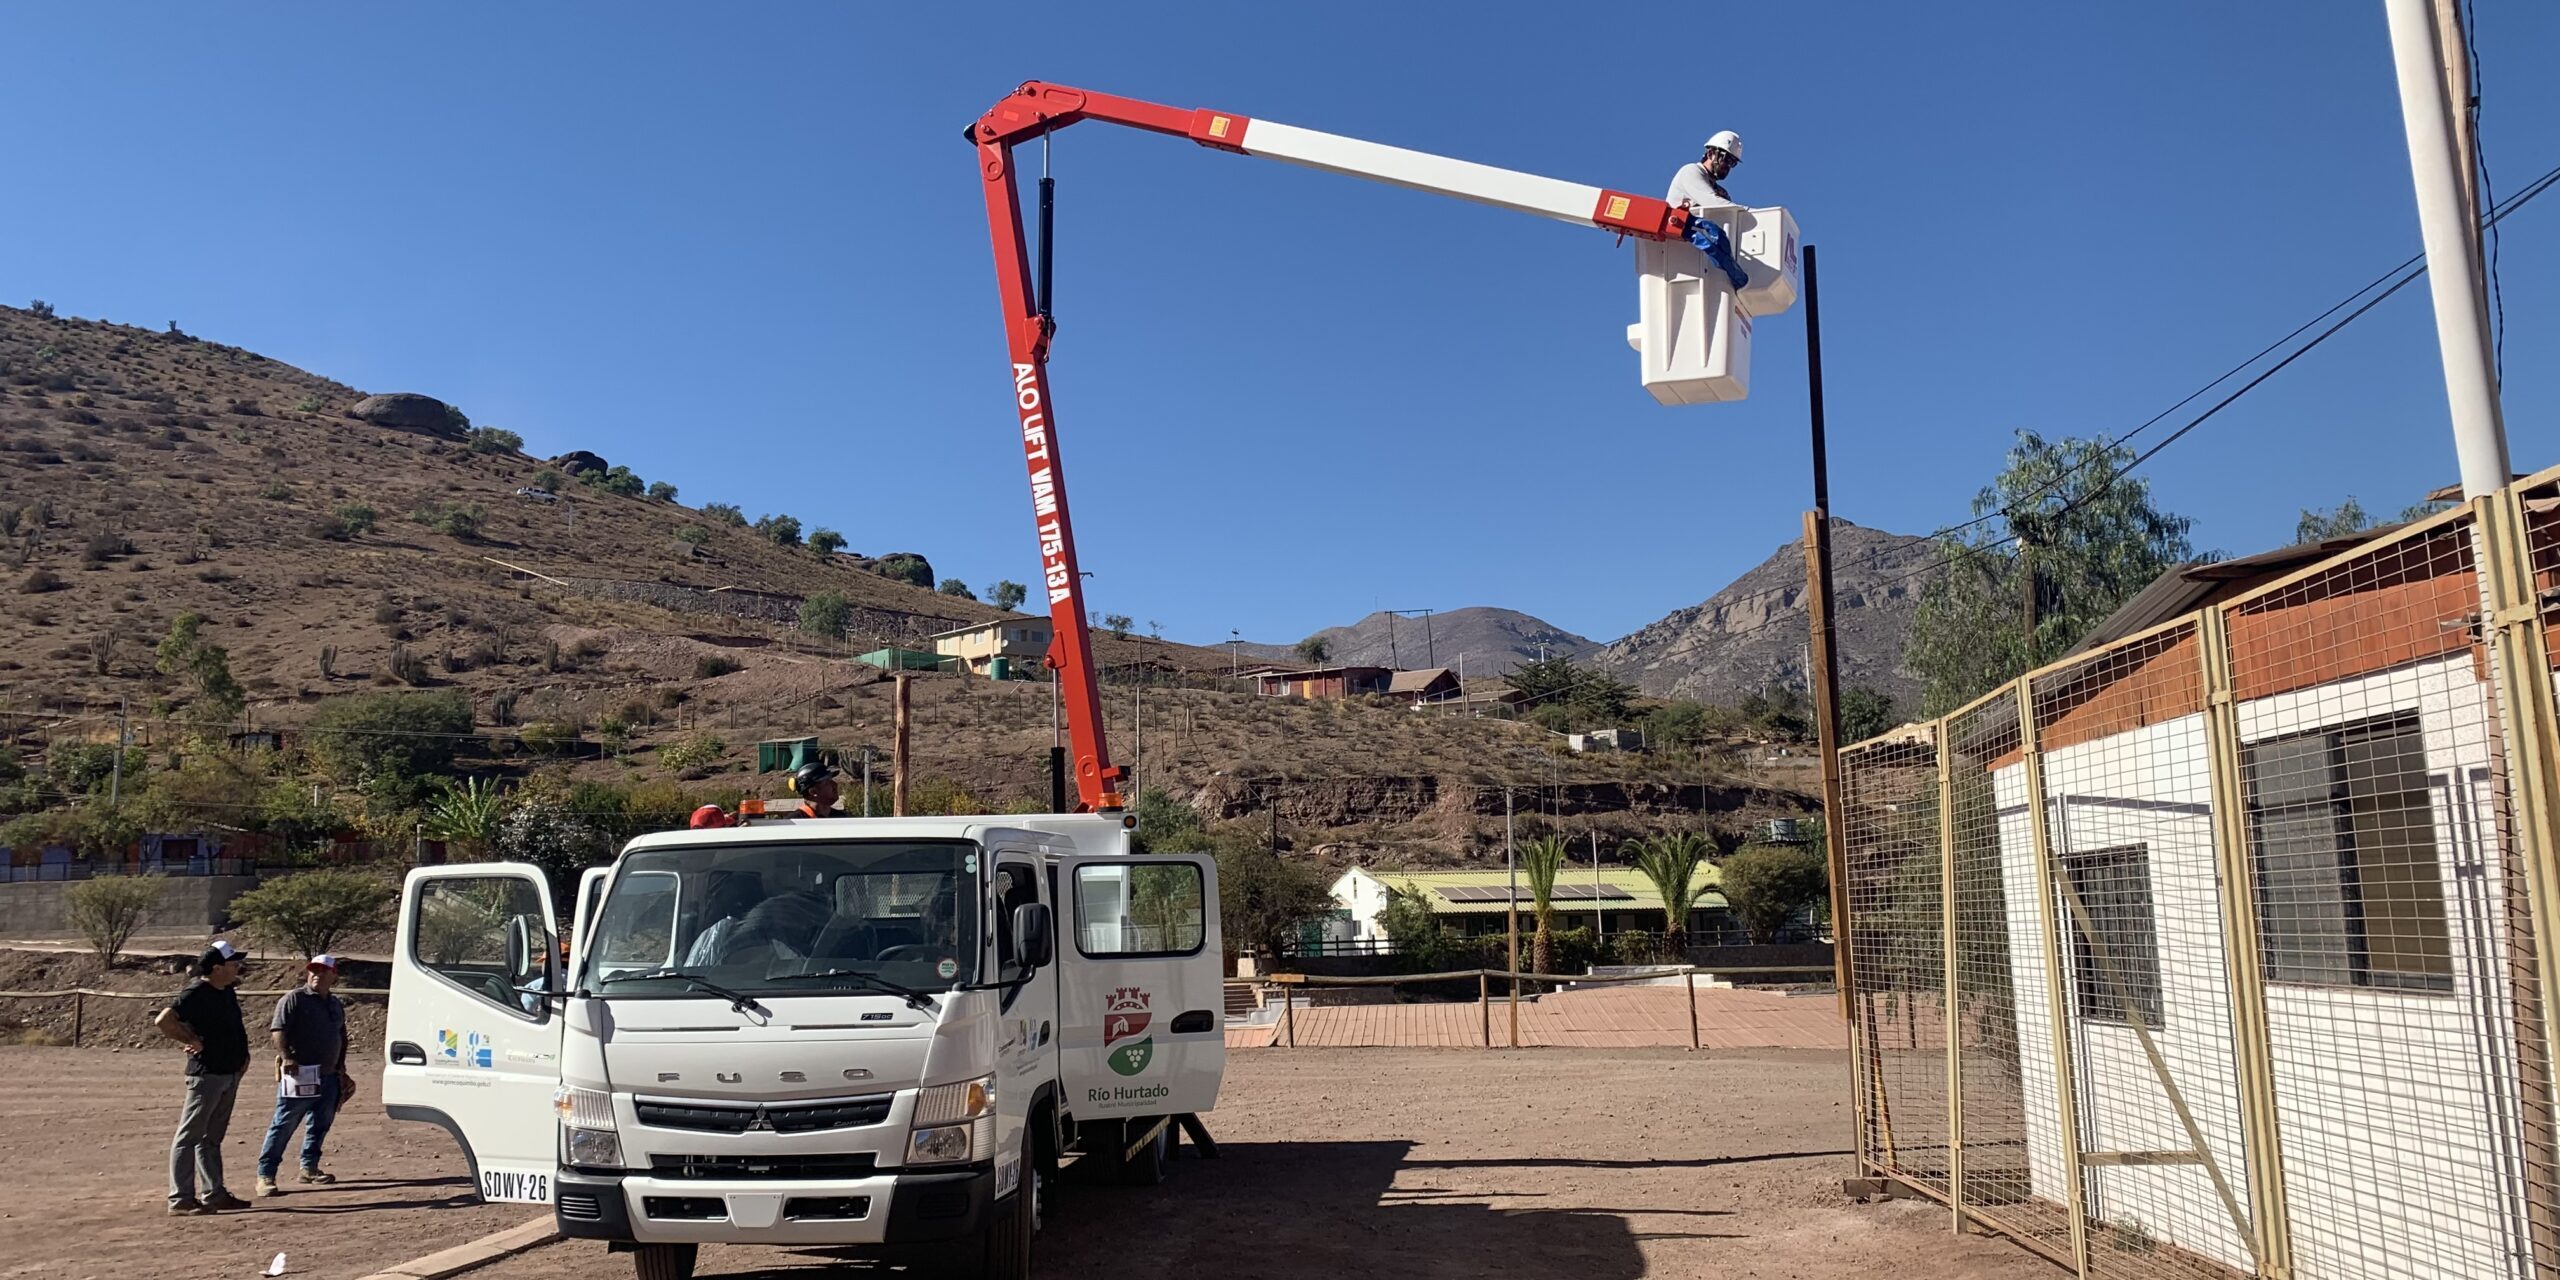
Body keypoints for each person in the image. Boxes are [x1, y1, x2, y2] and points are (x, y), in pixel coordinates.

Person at [154, 941, 254, 1216]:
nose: (237, 968)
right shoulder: (197, 991)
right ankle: (181, 1198)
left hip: (229, 1073)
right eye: (233, 964)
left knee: (211, 1138)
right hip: (207, 1075)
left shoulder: (226, 991)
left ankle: (214, 1193)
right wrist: (189, 1039)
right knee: (189, 1137)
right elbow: (164, 1020)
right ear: (217, 967)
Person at [255, 955, 353, 1196]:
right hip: (301, 1073)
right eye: (313, 970)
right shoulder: (294, 999)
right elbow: (278, 1030)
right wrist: (287, 1056)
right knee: (284, 1123)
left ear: (334, 975)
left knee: (320, 1124)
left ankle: (309, 1168)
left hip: (329, 1075)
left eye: (323, 970)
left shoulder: (334, 1004)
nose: (317, 974)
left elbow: (342, 1035)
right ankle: (265, 1175)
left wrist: (341, 1068)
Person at [1666, 130, 1750, 290]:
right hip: (1679, 253)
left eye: (1732, 163)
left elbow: (1729, 218)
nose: (1727, 167)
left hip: (1705, 260)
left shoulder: (1720, 191)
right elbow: (1712, 202)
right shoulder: (1690, 172)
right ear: (1711, 153)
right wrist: (1751, 213)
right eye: (1725, 159)